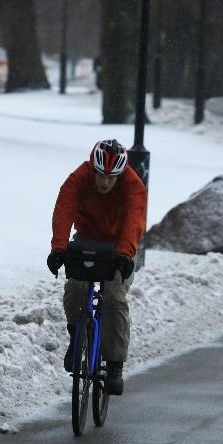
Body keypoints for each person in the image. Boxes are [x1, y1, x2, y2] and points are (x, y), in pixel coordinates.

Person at [46, 139, 147, 395]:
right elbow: (64, 210)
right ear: (93, 168)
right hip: (87, 237)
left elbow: (135, 221)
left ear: (120, 174)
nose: (105, 182)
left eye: (111, 178)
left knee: (113, 297)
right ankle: (76, 338)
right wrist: (59, 249)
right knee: (76, 289)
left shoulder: (134, 187)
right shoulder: (78, 179)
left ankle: (114, 365)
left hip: (120, 243)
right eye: (100, 175)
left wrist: (125, 255)